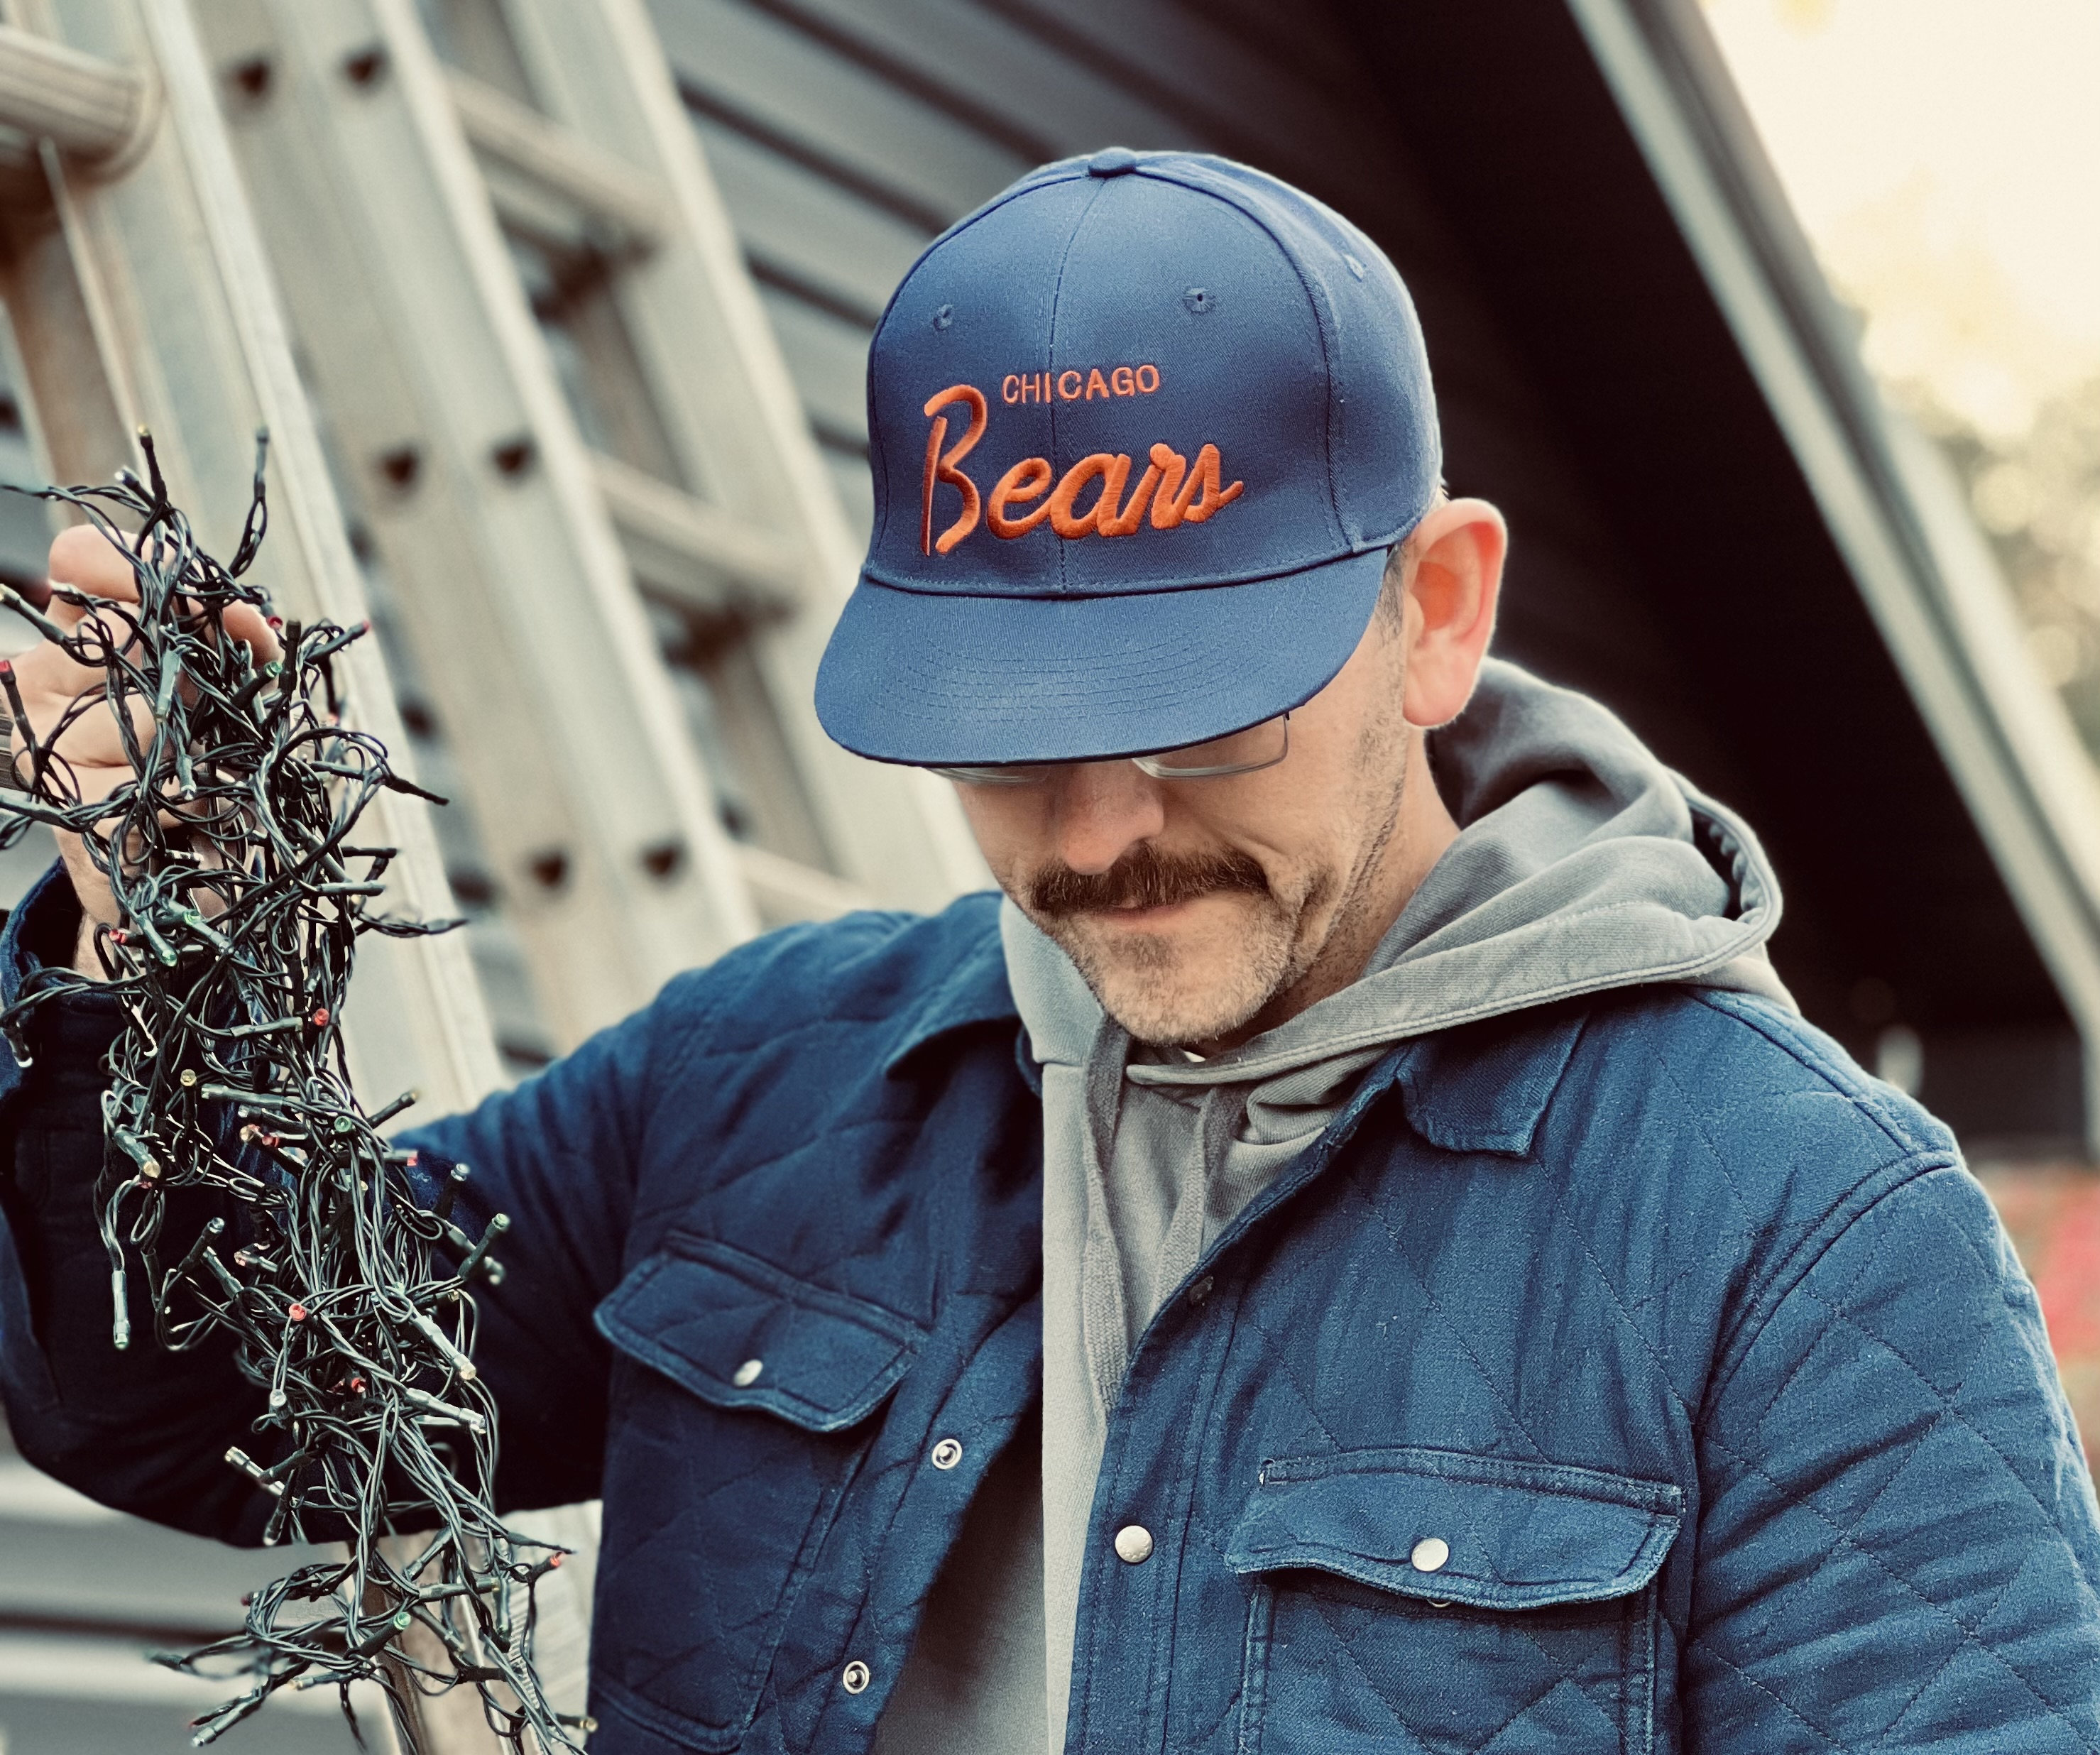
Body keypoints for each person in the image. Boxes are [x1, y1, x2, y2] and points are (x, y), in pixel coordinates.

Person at [0, 149, 2095, 1755]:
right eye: (1013, 742)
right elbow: (207, 1406)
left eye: (1202, 714)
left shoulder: (1800, 1230)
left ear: (1436, 611)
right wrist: (144, 922)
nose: (1099, 840)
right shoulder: (763, 1085)